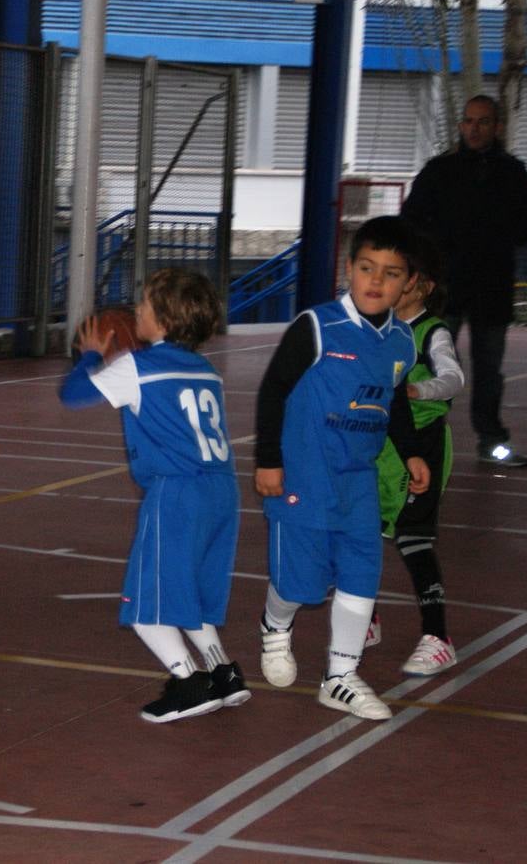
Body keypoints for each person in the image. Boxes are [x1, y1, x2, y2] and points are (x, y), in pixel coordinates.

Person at [255, 215, 432, 721]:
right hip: (305, 476)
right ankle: (274, 626)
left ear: (408, 283)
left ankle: (341, 676)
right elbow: (273, 391)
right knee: (301, 585)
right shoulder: (316, 326)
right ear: (349, 269)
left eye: (391, 273)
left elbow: (393, 402)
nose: (376, 282)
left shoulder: (402, 343)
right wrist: (268, 459)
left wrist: (413, 449)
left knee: (361, 574)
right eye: (367, 268)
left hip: (359, 480)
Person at [59, 268, 246, 723]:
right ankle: (224, 673)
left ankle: (189, 683)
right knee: (190, 595)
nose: (135, 312)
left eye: (142, 305)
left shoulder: (138, 366)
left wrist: (88, 356)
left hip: (178, 493)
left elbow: (73, 394)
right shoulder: (207, 370)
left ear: (161, 319)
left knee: (146, 605)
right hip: (223, 490)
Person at [400, 94, 527, 468]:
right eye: (468, 121)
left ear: (497, 126)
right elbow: (411, 218)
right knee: (433, 364)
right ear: (461, 125)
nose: (474, 128)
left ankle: (492, 440)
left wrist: (497, 237)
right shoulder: (438, 171)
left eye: (482, 122)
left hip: (493, 287)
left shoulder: (513, 172)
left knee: (488, 369)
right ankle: (423, 443)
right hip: (446, 286)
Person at [374, 242, 462, 677]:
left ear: (420, 286)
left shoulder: (432, 332)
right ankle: (364, 616)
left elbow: (452, 379)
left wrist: (416, 390)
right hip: (381, 447)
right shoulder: (378, 327)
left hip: (423, 443)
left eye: (397, 274)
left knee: (413, 539)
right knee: (361, 532)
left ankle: (438, 636)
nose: (386, 281)